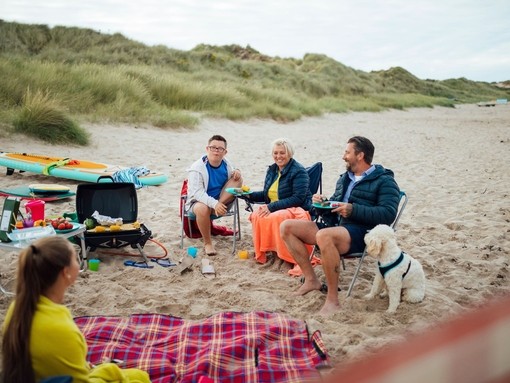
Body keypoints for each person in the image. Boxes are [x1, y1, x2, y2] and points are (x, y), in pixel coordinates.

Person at [1, 236, 151, 383]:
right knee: (140, 377)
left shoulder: (18, 307)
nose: (78, 262)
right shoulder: (61, 330)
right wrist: (108, 370)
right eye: (75, 258)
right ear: (65, 272)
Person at [280, 136, 400, 316]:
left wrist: (353, 210)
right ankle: (312, 280)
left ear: (360, 155)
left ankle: (332, 299)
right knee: (287, 227)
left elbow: (388, 214)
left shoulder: (384, 181)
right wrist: (324, 203)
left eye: (347, 152)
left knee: (324, 236)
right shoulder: (345, 178)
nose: (343, 156)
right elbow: (334, 207)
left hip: (363, 232)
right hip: (336, 226)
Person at [247, 138, 313, 265]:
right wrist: (249, 195)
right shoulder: (272, 170)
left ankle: (285, 254)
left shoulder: (299, 171)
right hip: (276, 206)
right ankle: (270, 250)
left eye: (282, 153)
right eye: (275, 153)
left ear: (289, 153)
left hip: (295, 208)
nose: (278, 156)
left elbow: (298, 198)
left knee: (276, 217)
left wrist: (271, 207)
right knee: (256, 215)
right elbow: (268, 194)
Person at [186, 134, 242, 256]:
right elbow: (197, 193)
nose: (216, 150)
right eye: (213, 147)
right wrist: (214, 204)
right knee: (202, 207)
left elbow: (233, 174)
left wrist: (237, 171)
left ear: (225, 152)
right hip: (198, 204)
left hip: (221, 203)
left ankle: (219, 203)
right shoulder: (197, 168)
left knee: (238, 179)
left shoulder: (227, 164)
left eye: (220, 148)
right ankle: (208, 243)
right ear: (207, 149)